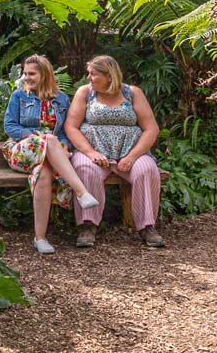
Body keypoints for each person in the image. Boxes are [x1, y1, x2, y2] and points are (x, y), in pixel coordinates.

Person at [61, 54, 166, 249]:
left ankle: (147, 227)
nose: (88, 78)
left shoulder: (132, 93)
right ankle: (87, 225)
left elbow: (151, 128)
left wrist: (132, 156)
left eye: (93, 74)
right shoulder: (85, 93)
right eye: (88, 74)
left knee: (147, 170)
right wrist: (90, 152)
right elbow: (71, 127)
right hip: (93, 154)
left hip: (130, 153)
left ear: (109, 75)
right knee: (85, 170)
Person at [0, 55, 78, 254]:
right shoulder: (19, 96)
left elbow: (64, 131)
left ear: (45, 74)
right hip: (21, 149)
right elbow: (9, 126)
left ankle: (40, 238)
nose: (27, 77)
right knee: (49, 140)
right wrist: (35, 136)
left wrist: (65, 145)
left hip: (49, 155)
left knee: (43, 174)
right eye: (25, 73)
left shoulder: (61, 99)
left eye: (31, 73)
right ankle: (81, 191)